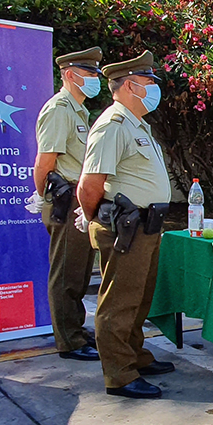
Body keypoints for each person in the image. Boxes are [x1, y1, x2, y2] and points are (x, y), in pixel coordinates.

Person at [75, 51, 176, 399]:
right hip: (126, 228)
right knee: (119, 301)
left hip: (147, 226)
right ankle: (119, 374)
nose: (154, 90)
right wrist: (99, 220)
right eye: (149, 83)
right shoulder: (112, 124)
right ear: (131, 85)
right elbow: (89, 185)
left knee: (139, 298)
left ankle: (135, 356)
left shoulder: (137, 125)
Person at [32, 47, 103, 363]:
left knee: (80, 271)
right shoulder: (59, 109)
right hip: (67, 199)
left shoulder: (77, 111)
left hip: (79, 200)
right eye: (88, 74)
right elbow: (44, 164)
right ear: (70, 74)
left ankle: (75, 329)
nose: (94, 80)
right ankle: (69, 341)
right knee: (66, 273)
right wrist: (51, 199)